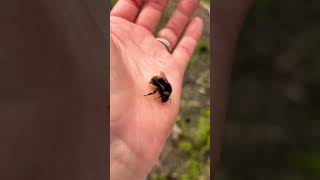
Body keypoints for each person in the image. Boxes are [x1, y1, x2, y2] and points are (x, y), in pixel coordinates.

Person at [110, 0, 204, 179]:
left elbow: (163, 85)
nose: (163, 98)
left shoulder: (166, 89)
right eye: (163, 98)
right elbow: (159, 85)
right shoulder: (163, 89)